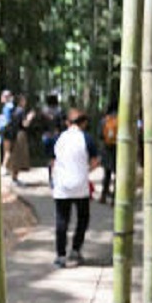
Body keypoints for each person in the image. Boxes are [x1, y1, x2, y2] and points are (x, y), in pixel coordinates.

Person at [50, 107, 100, 266]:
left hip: (62, 185)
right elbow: (94, 161)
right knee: (83, 218)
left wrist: (53, 179)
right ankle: (76, 250)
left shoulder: (59, 138)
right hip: (80, 185)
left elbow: (53, 162)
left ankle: (60, 255)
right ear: (83, 123)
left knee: (62, 220)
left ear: (67, 122)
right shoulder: (87, 138)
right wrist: (85, 170)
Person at [99, 97, 119, 204]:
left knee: (107, 174)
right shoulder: (122, 119)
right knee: (117, 175)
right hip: (119, 149)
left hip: (107, 149)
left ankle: (103, 196)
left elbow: (100, 135)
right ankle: (114, 199)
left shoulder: (104, 120)